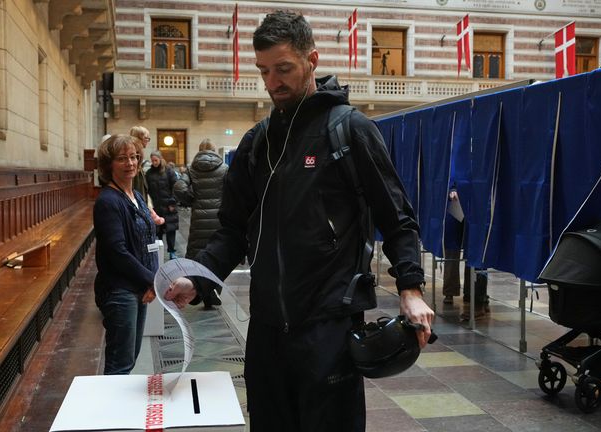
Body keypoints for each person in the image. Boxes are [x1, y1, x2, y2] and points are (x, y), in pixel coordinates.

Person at [164, 11, 433, 432]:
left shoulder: (350, 130)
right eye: (264, 71)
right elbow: (231, 231)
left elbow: (397, 218)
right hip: (267, 332)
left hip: (328, 328)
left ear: (312, 60)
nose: (272, 82)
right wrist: (197, 278)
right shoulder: (257, 143)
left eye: (283, 68)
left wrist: (411, 289)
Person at [93, 134, 158, 375]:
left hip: (139, 286)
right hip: (120, 291)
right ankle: (109, 403)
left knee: (131, 358)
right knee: (119, 366)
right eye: (122, 158)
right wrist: (152, 279)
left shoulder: (136, 196)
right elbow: (117, 252)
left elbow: (147, 241)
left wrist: (151, 281)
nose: (130, 163)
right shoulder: (107, 201)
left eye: (133, 157)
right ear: (108, 164)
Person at [173, 138, 229, 309]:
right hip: (219, 219)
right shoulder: (224, 168)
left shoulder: (192, 169)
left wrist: (192, 200)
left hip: (199, 218)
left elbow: (178, 187)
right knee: (218, 253)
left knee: (198, 253)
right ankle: (213, 290)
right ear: (214, 150)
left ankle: (205, 293)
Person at [442, 188, 489, 320]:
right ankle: (451, 291)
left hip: (477, 196)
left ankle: (477, 298)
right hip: (456, 201)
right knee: (453, 247)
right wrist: (452, 188)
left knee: (476, 248)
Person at [146, 151, 180, 260]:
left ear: (160, 159)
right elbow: (147, 190)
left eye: (156, 160)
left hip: (169, 206)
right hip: (156, 207)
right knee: (157, 231)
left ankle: (172, 252)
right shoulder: (149, 173)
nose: (154, 163)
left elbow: (176, 187)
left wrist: (173, 202)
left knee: (170, 230)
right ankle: (158, 252)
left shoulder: (169, 171)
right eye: (152, 161)